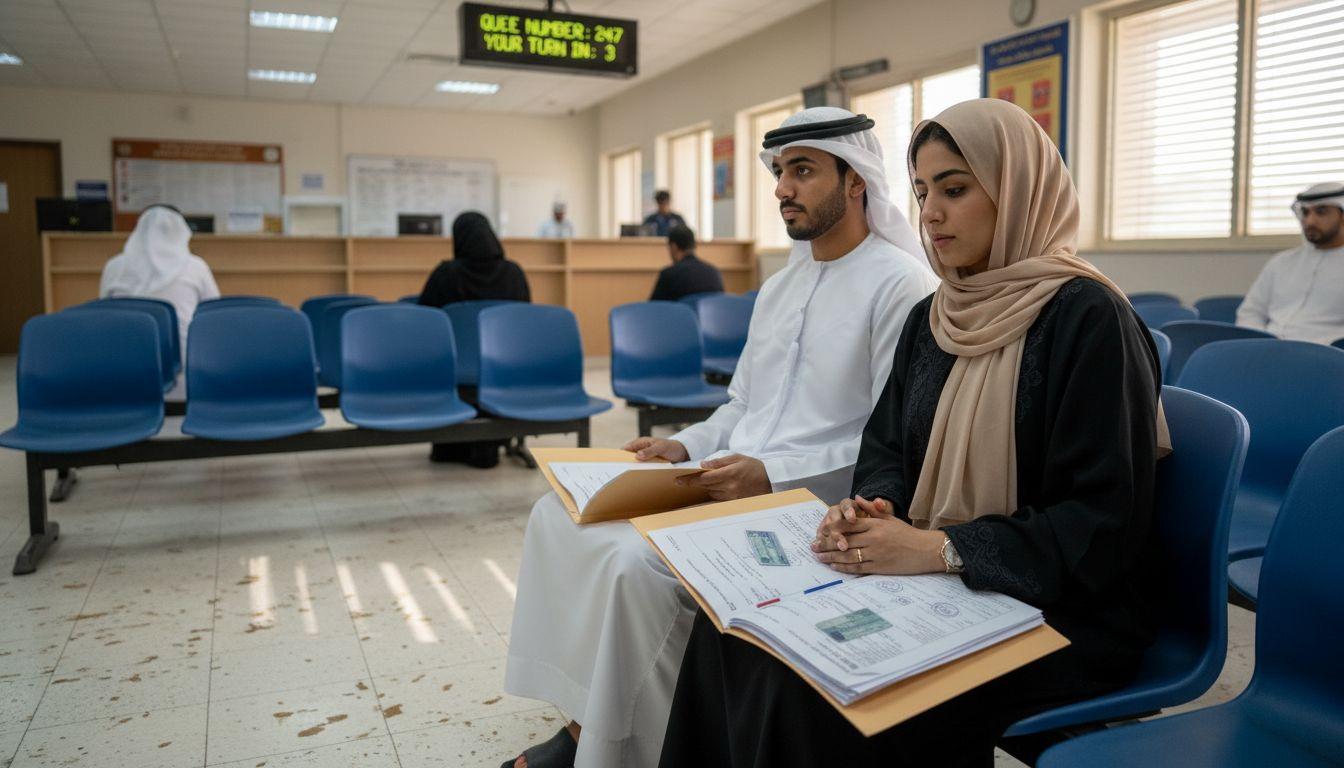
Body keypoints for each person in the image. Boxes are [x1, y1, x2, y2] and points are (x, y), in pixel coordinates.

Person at [658, 99, 1170, 767]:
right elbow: (888, 451)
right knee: (734, 630)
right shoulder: (936, 314)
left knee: (811, 690)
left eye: (955, 190)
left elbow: (1102, 524)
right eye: (923, 191)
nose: (930, 212)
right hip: (939, 585)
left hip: (1061, 613)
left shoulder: (1089, 319)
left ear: (1017, 190)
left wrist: (938, 549)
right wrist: (876, 507)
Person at [502, 107, 940, 768]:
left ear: (856, 182)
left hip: (812, 506)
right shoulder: (778, 288)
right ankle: (587, 719)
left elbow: (891, 445)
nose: (782, 189)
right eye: (779, 172)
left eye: (802, 171)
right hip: (727, 481)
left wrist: (771, 475)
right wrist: (682, 445)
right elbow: (742, 406)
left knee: (635, 565)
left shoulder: (901, 285)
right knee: (557, 517)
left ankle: (630, 748)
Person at [417, 211, 530, 466]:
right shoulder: (514, 273)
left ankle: (451, 447)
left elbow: (425, 320)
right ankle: (490, 444)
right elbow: (524, 322)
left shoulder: (446, 274)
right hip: (502, 367)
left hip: (453, 370)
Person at [99, 203, 219, 363]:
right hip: (184, 365)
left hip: (124, 361)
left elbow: (102, 314)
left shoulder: (114, 267)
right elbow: (213, 313)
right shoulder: (196, 266)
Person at [1236, 181, 1344, 344]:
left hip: (1326, 358)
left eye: (1321, 212)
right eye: (1305, 213)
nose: (1310, 221)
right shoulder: (1281, 262)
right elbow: (1250, 313)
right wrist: (1258, 343)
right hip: (1267, 349)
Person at [417, 211, 531, 307]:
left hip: (457, 334)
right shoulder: (514, 273)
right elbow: (524, 316)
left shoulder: (446, 273)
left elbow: (427, 316)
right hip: (505, 334)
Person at [649, 225, 724, 301]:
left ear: (673, 247)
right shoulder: (714, 272)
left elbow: (654, 308)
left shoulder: (669, 274)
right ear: (694, 245)